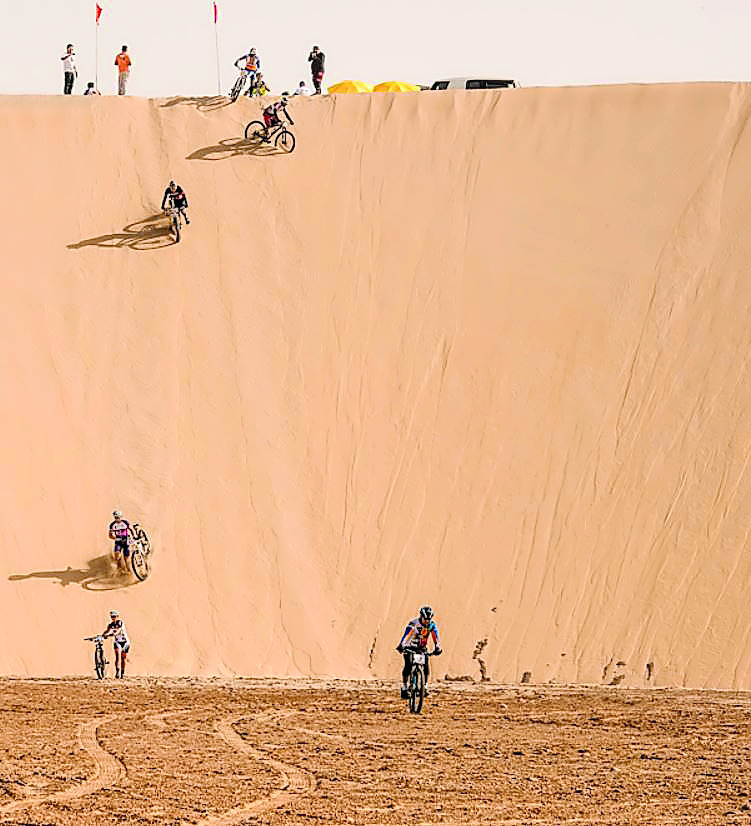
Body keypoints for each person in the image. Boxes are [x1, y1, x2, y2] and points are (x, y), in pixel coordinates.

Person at [396, 605, 442, 699]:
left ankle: (425, 686)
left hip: (422, 648)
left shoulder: (431, 625)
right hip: (409, 647)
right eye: (425, 619)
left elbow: (436, 637)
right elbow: (407, 634)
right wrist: (402, 645)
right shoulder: (413, 624)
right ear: (421, 616)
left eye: (429, 619)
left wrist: (438, 647)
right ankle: (404, 687)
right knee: (408, 665)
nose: (427, 621)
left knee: (426, 667)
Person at [102, 610, 130, 678]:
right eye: (112, 617)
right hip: (117, 642)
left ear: (117, 616)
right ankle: (117, 672)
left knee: (123, 658)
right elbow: (107, 630)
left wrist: (112, 634)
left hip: (125, 642)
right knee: (117, 657)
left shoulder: (120, 623)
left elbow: (119, 631)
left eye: (114, 616)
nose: (113, 618)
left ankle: (122, 672)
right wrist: (103, 635)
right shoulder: (111, 625)